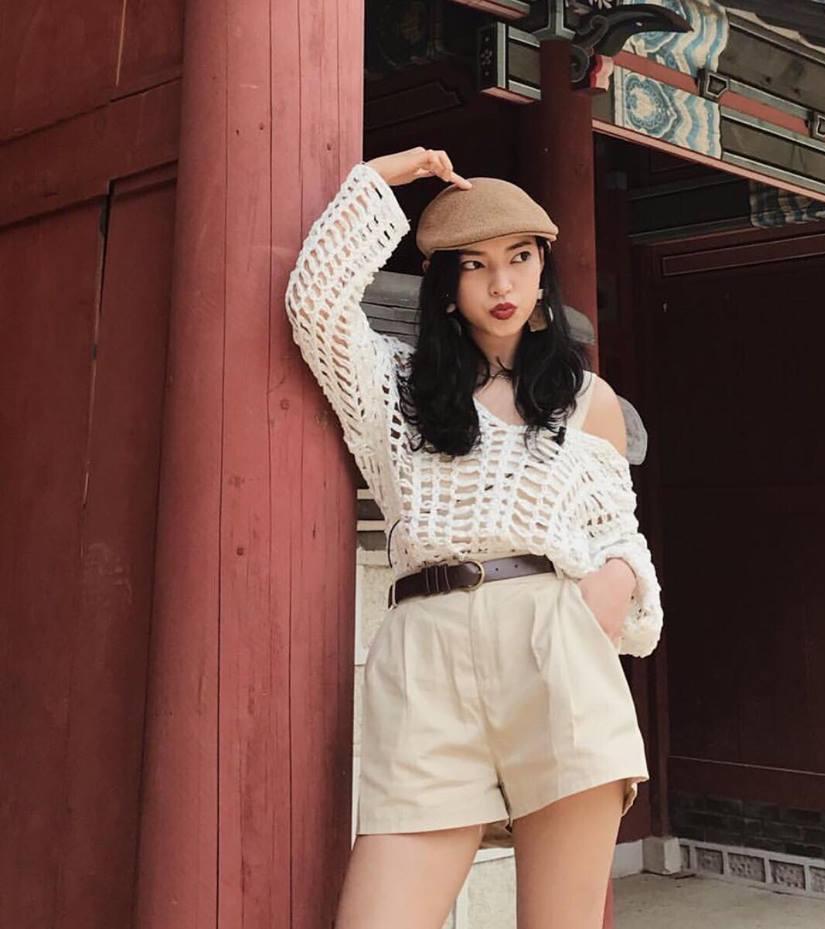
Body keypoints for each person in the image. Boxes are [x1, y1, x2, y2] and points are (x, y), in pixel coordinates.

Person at [284, 146, 664, 929]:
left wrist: (616, 583)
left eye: (520, 258)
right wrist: (382, 179)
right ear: (445, 284)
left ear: (543, 266)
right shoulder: (397, 386)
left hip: (554, 651)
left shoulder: (585, 399)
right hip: (426, 661)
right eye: (476, 264)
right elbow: (314, 301)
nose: (502, 284)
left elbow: (620, 533)